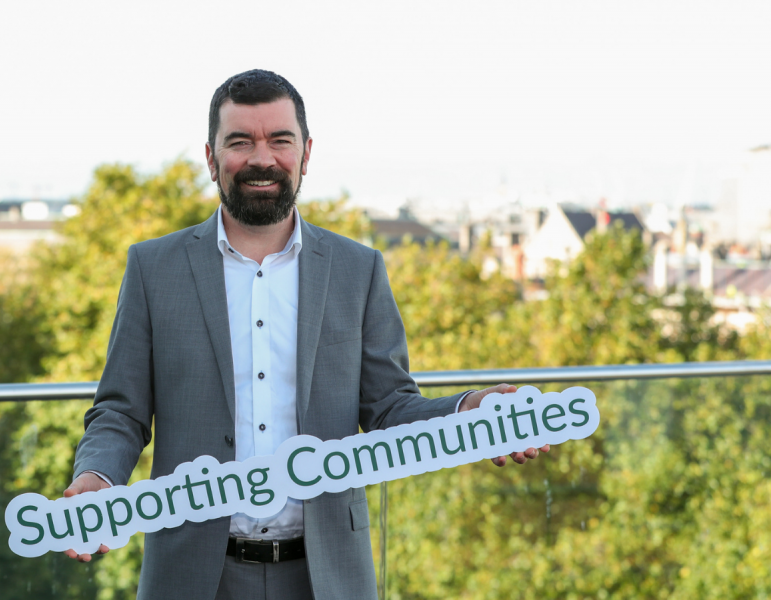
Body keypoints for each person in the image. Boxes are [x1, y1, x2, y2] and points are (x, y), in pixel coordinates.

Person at [63, 69, 548, 600]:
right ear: (210, 157)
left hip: (328, 576)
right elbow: (121, 412)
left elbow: (389, 408)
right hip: (193, 574)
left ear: (306, 154)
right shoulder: (153, 268)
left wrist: (468, 412)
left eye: (280, 140)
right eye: (240, 141)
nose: (262, 158)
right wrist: (98, 480)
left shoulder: (357, 270)